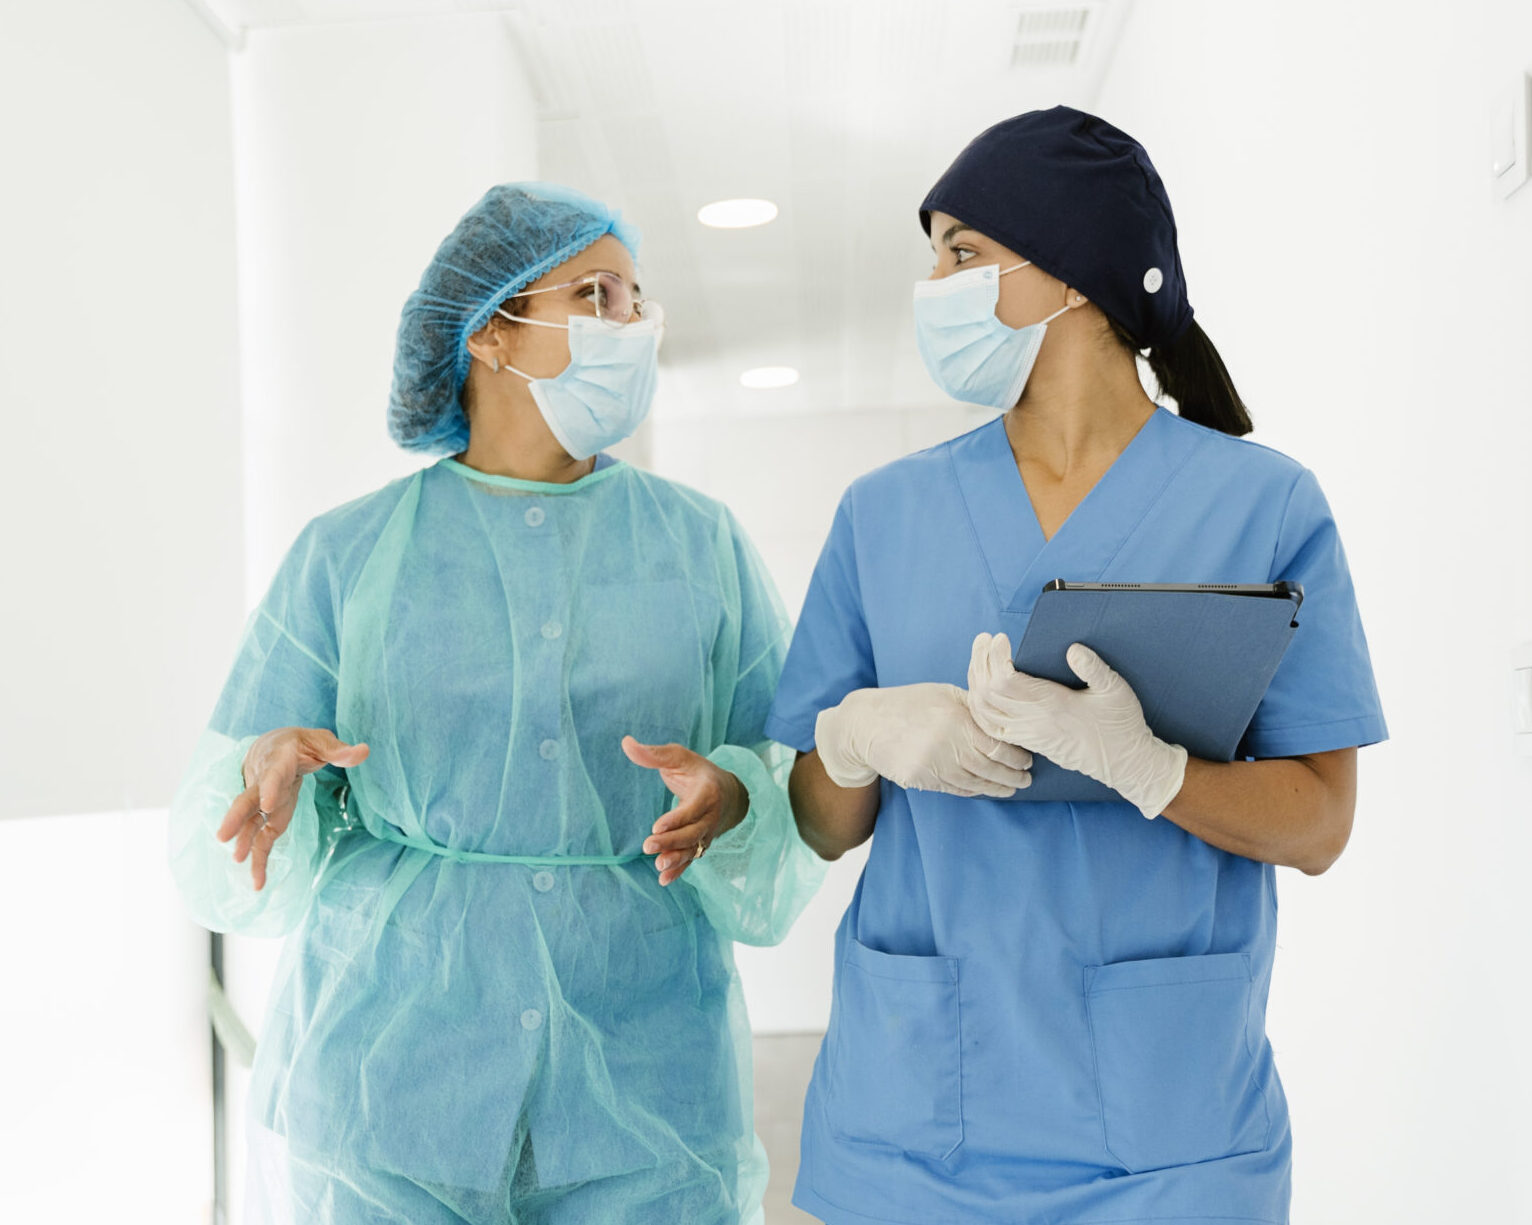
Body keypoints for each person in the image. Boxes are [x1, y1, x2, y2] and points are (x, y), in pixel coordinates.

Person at [766, 107, 1385, 1224]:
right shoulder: (884, 514)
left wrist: (1155, 773)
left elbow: (1318, 824)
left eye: (960, 252)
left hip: (1167, 1139)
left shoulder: (1261, 507)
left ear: (1075, 272)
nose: (933, 284)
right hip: (915, 1121)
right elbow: (820, 824)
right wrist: (849, 735)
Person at [167, 182, 823, 1225]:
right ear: (492, 333)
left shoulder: (701, 545)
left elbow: (795, 783)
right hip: (392, 1083)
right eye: (594, 294)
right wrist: (269, 775)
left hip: (643, 1084)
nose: (629, 325)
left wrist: (734, 794)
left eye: (634, 299)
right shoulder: (348, 556)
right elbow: (229, 825)